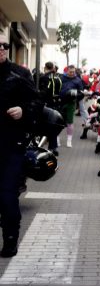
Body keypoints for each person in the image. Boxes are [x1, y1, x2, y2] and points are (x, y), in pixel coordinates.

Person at [0, 32, 43, 257]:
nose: (2, 50)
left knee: (7, 194)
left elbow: (37, 101)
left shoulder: (20, 74)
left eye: (4, 46)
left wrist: (23, 110)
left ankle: (10, 239)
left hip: (11, 144)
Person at [39, 61, 62, 155]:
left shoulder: (43, 77)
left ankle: (40, 146)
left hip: (45, 104)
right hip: (55, 105)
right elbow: (59, 91)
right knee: (53, 126)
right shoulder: (58, 79)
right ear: (53, 68)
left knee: (41, 124)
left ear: (45, 67)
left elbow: (42, 91)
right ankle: (53, 147)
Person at [59, 64, 84, 148]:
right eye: (70, 72)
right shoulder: (61, 78)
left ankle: (69, 140)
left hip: (71, 103)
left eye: (73, 72)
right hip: (60, 102)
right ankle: (57, 138)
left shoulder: (78, 80)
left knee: (70, 122)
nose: (72, 73)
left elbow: (81, 93)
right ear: (67, 71)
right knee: (59, 121)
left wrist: (75, 93)